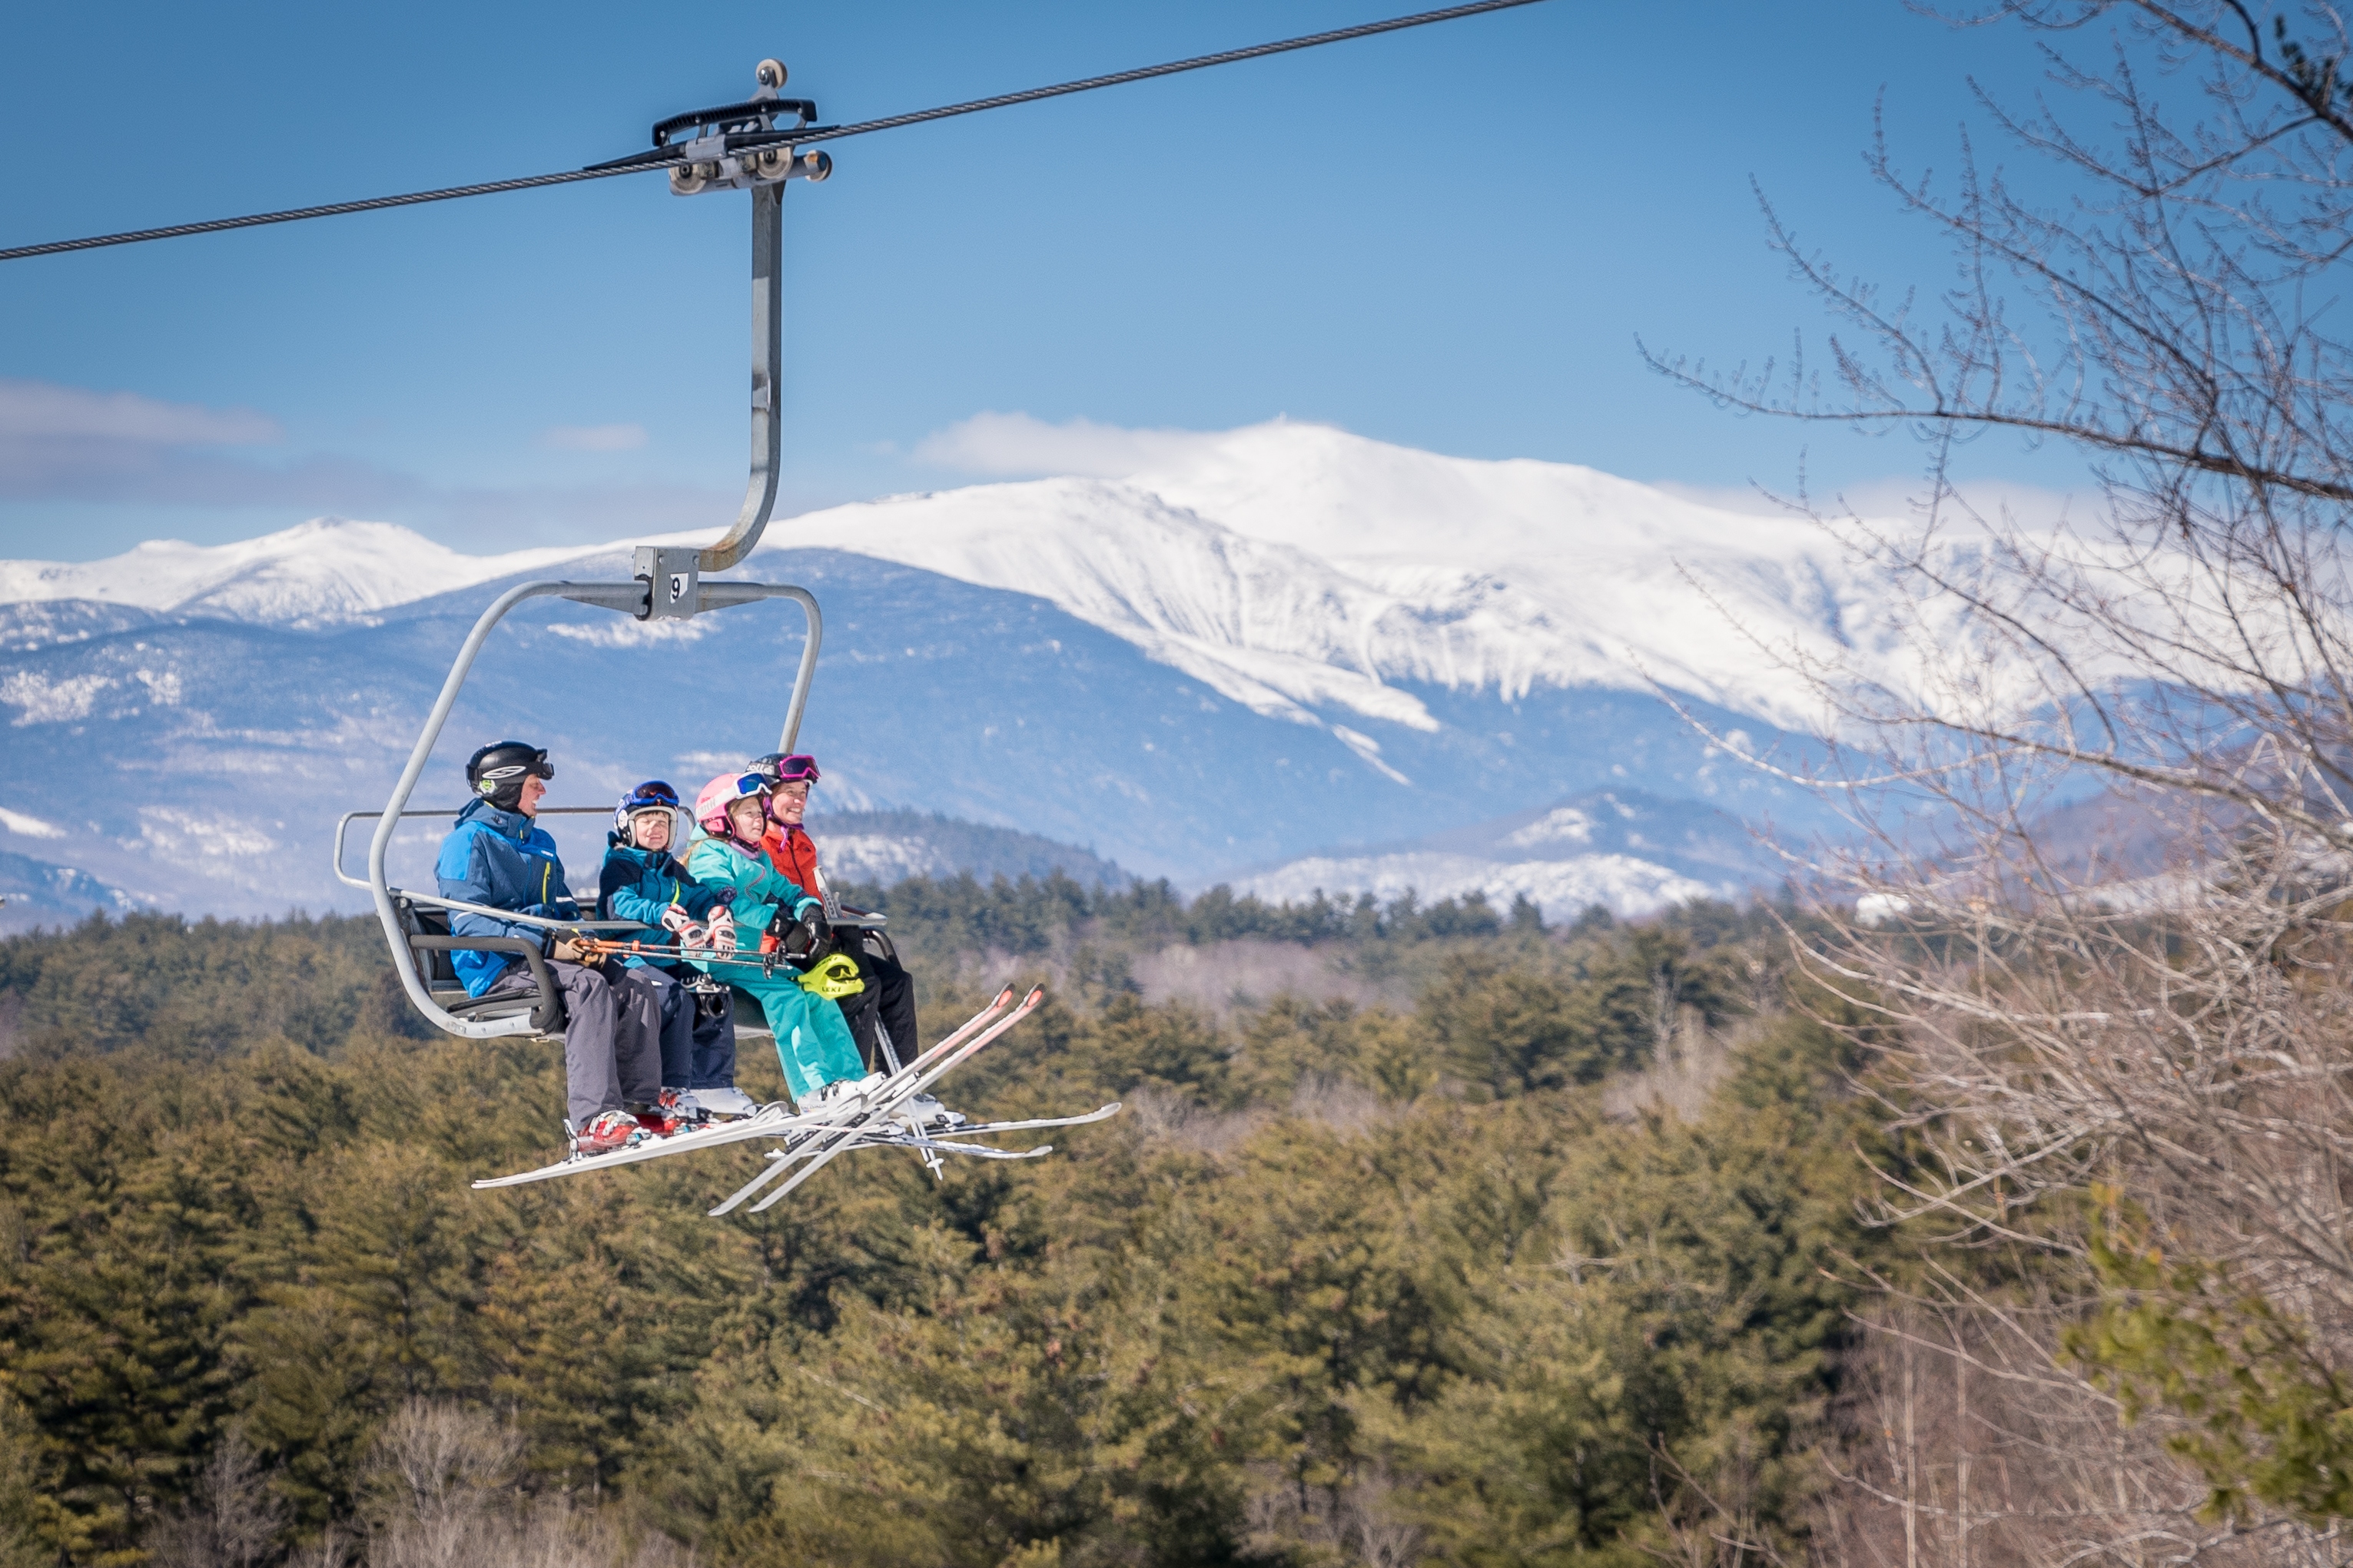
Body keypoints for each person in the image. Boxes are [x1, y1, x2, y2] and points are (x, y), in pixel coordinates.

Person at [435, 741, 674, 1155]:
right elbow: (469, 921)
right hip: (497, 967)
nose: (541, 792)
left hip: (544, 959)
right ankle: (592, 1120)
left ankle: (639, 1107)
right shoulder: (468, 843)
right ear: (507, 788)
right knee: (586, 987)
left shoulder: (540, 841)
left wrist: (586, 940)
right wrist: (548, 944)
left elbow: (562, 907)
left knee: (635, 984)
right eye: (533, 784)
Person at [683, 771, 878, 1114]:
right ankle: (813, 1090)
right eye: (749, 814)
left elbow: (785, 891)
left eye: (761, 813)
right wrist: (775, 922)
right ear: (721, 817)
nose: (759, 821)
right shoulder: (709, 855)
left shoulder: (755, 856)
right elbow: (725, 901)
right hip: (715, 956)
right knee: (787, 998)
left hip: (748, 958)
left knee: (816, 991)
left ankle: (851, 1079)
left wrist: (808, 911)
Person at [745, 752, 922, 1076]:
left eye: (804, 794)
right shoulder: (756, 845)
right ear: (766, 798)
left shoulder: (799, 841)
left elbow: (808, 895)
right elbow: (762, 897)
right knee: (860, 986)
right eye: (790, 793)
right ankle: (848, 1081)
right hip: (781, 948)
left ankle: (898, 1082)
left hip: (815, 940)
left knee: (897, 983)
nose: (799, 801)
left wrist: (839, 917)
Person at [596, 781, 756, 1120]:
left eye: (663, 821)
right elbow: (619, 904)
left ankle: (710, 1084)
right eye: (647, 821)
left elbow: (696, 895)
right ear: (628, 827)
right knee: (671, 996)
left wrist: (715, 912)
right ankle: (663, 1090)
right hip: (628, 953)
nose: (655, 828)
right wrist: (663, 914)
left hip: (666, 955)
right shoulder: (621, 866)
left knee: (710, 989)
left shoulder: (671, 870)